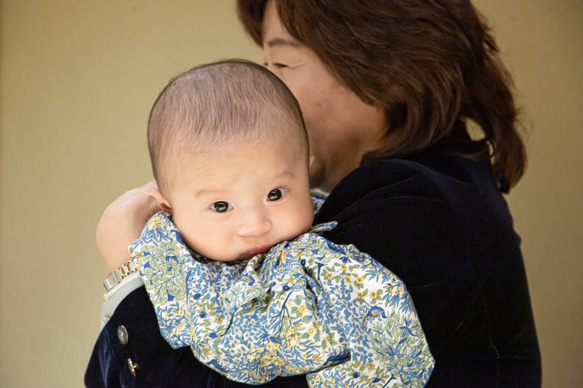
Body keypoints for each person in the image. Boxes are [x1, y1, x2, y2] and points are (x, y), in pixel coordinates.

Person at [86, 0, 541, 387]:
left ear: (385, 68)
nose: (267, 94)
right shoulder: (438, 188)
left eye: (281, 65)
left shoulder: (414, 207)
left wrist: (128, 278)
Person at [128, 59, 434, 386]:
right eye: (220, 206)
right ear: (169, 208)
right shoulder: (170, 258)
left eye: (275, 193)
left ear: (306, 171)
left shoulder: (340, 235)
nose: (255, 224)